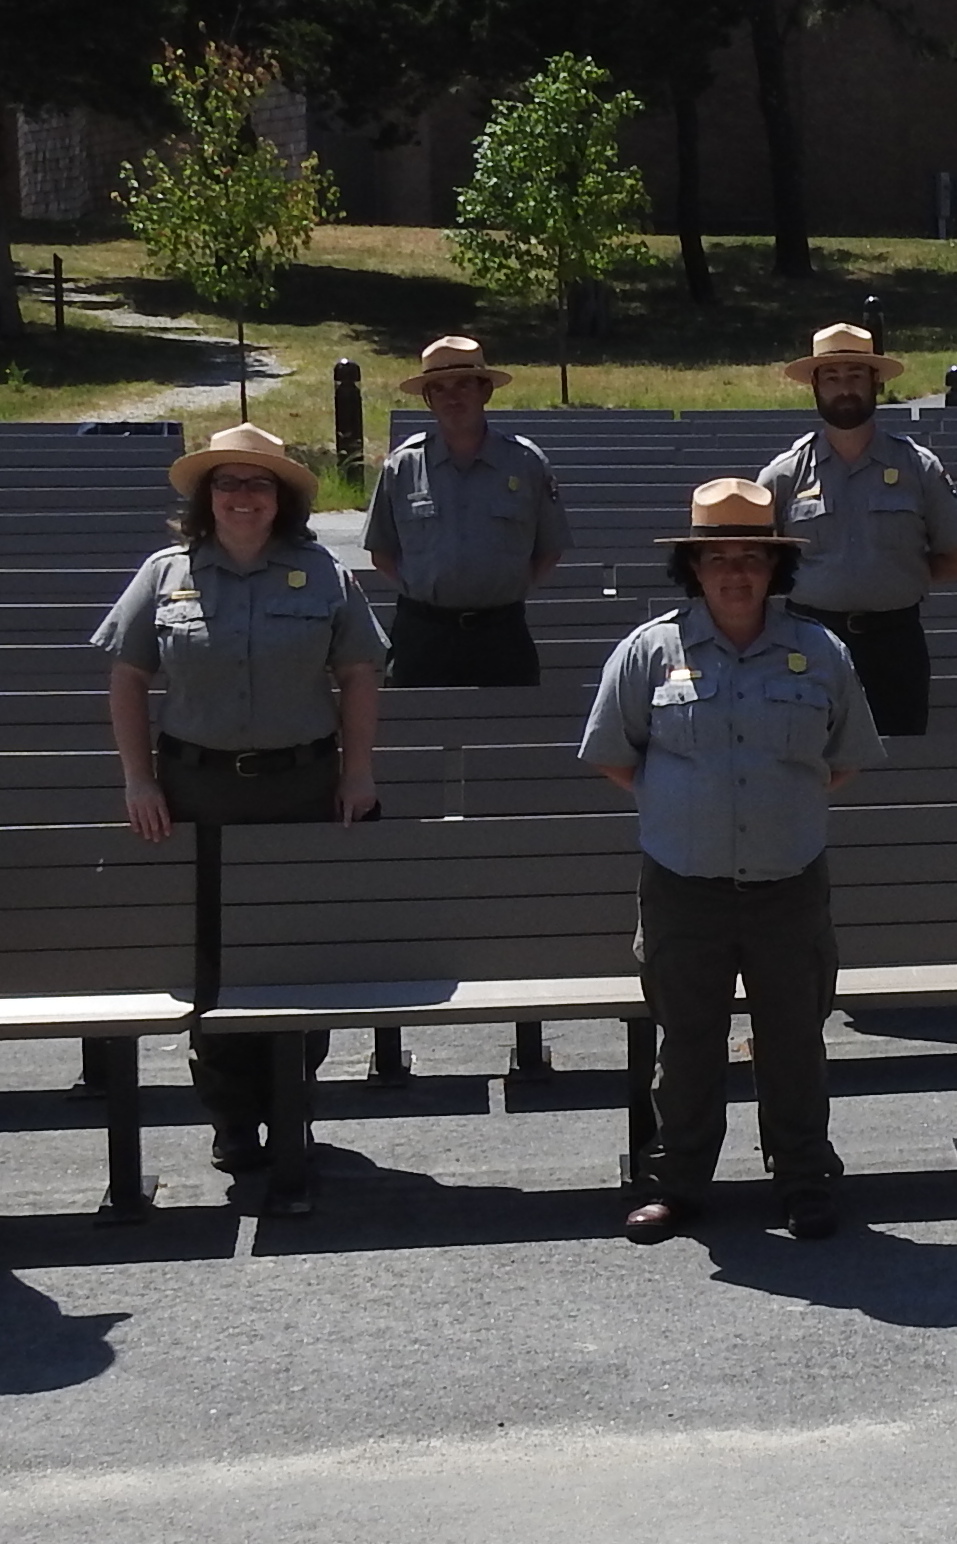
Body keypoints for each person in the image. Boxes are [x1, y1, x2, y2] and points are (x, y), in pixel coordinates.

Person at [98, 419, 385, 1219]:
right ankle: (233, 1124)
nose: (242, 495)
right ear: (205, 497)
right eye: (226, 482)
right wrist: (137, 779)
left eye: (258, 482)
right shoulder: (165, 576)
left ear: (282, 498)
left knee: (301, 962)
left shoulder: (323, 573)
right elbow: (126, 678)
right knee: (213, 968)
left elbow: (358, 674)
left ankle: (294, 1111)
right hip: (200, 792)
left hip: (300, 791)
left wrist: (358, 771)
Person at [580, 478, 880, 1244]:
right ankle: (675, 1182)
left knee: (795, 1039)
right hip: (684, 882)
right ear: (694, 567)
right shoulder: (648, 652)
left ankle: (805, 1179)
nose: (736, 572)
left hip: (788, 880)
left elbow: (840, 761)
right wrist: (687, 808)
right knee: (686, 1042)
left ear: (777, 568)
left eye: (752, 556)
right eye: (718, 557)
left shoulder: (820, 653)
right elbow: (617, 756)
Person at [759, 320, 957, 738]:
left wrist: (900, 571)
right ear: (815, 387)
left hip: (894, 645)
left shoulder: (918, 467)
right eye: (832, 377)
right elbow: (751, 564)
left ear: (876, 383)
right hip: (807, 646)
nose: (844, 388)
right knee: (810, 765)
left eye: (856, 376)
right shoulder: (784, 475)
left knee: (897, 772)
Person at [367, 335, 572, 688]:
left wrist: (506, 590)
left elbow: (550, 548)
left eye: (464, 384)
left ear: (485, 391)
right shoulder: (402, 467)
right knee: (418, 738)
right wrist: (424, 592)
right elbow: (381, 552)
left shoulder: (525, 463)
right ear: (429, 399)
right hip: (422, 635)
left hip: (501, 634)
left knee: (509, 736)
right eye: (440, 389)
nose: (453, 397)